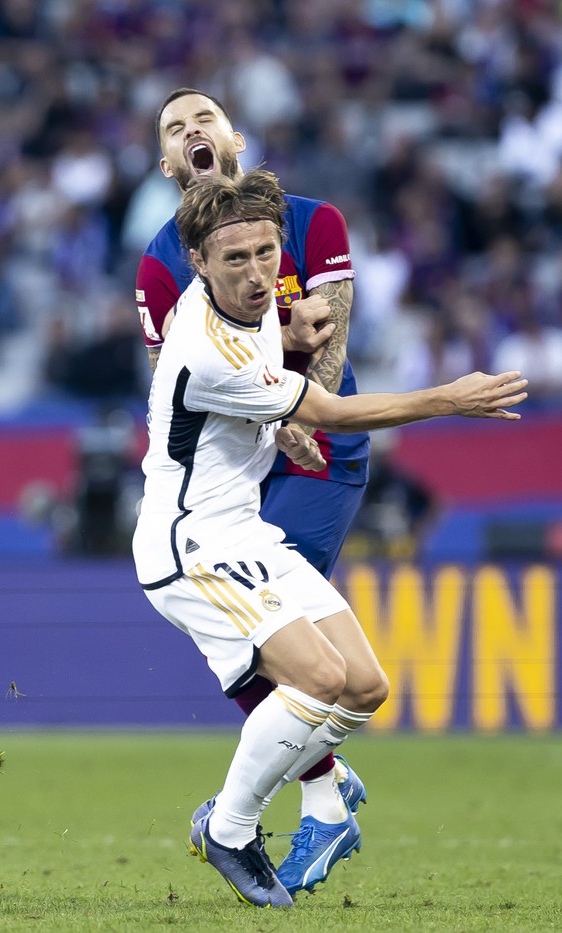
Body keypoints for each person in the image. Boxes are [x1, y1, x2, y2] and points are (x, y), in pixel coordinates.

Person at [135, 169, 525, 907]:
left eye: (265, 253)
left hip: (242, 531)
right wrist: (450, 397)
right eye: (235, 259)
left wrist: (285, 337)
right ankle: (231, 825)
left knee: (364, 686)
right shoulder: (206, 347)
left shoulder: (245, 313)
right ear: (199, 265)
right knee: (316, 680)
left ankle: (304, 787)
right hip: (190, 545)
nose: (256, 273)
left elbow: (269, 358)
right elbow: (332, 413)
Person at [135, 88, 370, 890]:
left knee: (286, 658)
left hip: (315, 454)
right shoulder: (160, 261)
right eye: (175, 129)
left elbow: (326, 332)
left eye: (203, 117)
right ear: (167, 164)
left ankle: (318, 795)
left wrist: (309, 422)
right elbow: (192, 375)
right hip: (236, 467)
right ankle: (323, 791)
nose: (193, 131)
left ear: (234, 135)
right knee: (270, 655)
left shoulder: (314, 220)